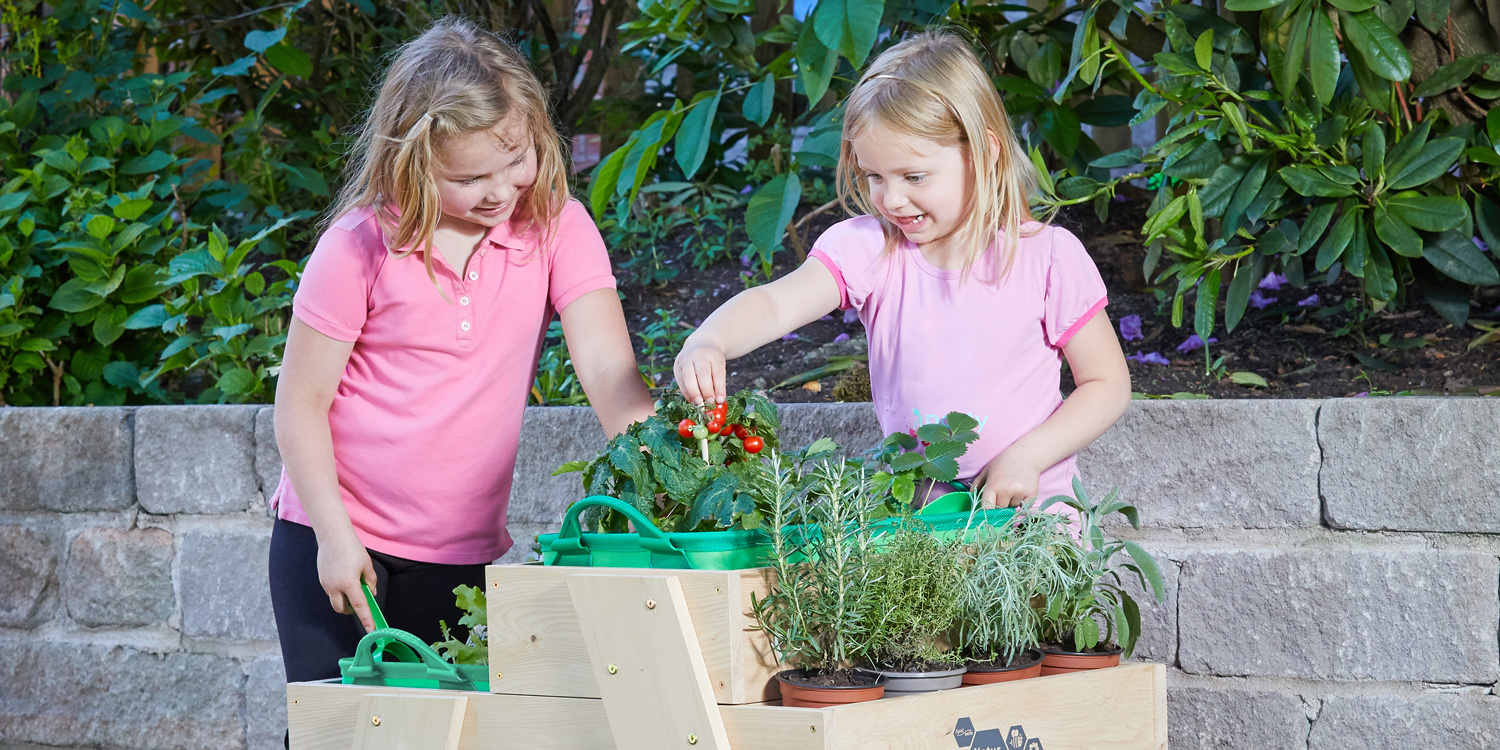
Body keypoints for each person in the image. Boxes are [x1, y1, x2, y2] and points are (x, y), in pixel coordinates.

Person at [268, 18, 655, 689]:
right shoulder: (357, 245)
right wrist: (333, 537)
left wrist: (663, 472)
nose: (504, 190)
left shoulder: (556, 226)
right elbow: (300, 404)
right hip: (335, 541)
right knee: (339, 733)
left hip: (460, 555)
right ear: (411, 161)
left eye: (517, 159)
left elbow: (606, 371)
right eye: (473, 178)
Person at [674, 30, 1131, 512]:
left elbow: (1106, 383)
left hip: (1030, 511)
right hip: (914, 522)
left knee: (1037, 586)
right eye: (875, 177)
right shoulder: (870, 250)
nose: (891, 199)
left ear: (984, 153)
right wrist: (711, 339)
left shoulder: (1046, 257)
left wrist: (1028, 456)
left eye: (914, 177)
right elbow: (774, 303)